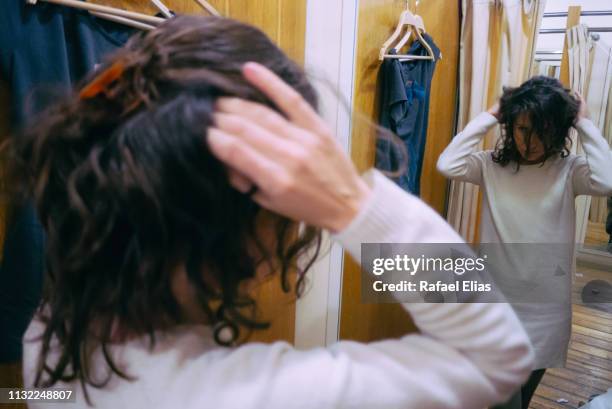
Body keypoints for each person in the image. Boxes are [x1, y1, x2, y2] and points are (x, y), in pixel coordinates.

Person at [10, 16, 534, 409]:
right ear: (239, 230)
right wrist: (353, 203)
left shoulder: (52, 334)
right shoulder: (265, 396)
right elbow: (500, 354)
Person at [437, 76, 612, 409]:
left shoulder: (569, 171)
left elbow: (607, 180)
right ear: (509, 126)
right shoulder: (490, 166)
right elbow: (447, 164)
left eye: (543, 130)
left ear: (560, 131)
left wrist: (585, 123)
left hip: (546, 311)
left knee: (521, 398)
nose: (529, 141)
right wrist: (492, 113)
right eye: (521, 128)